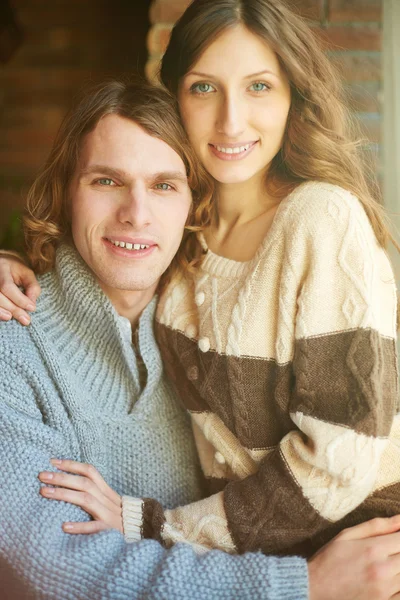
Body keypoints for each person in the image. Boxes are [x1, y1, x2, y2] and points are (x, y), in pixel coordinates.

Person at [2, 0, 400, 597]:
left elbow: (340, 458)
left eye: (260, 86)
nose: (231, 121)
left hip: (365, 556)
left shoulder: (320, 218)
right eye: (204, 88)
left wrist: (152, 524)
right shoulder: (182, 256)